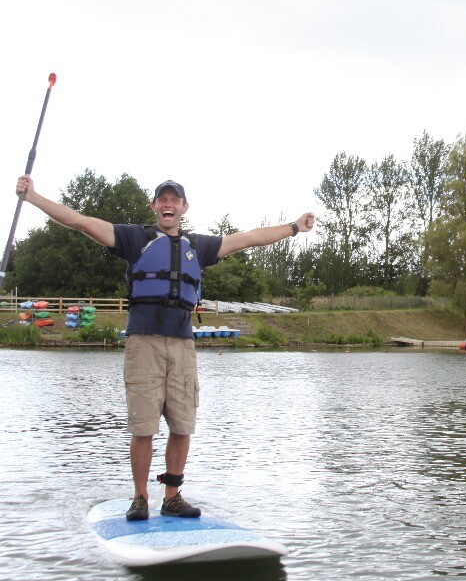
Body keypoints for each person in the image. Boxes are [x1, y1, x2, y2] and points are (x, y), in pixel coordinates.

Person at [16, 175, 314, 521]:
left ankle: (172, 496)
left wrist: (294, 227)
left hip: (183, 345)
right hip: (144, 343)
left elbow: (248, 239)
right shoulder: (133, 238)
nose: (168, 204)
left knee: (182, 425)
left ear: (184, 208)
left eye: (175, 200)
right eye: (163, 200)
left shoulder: (197, 246)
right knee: (143, 427)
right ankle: (140, 497)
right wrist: (33, 197)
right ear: (154, 206)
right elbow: (80, 222)